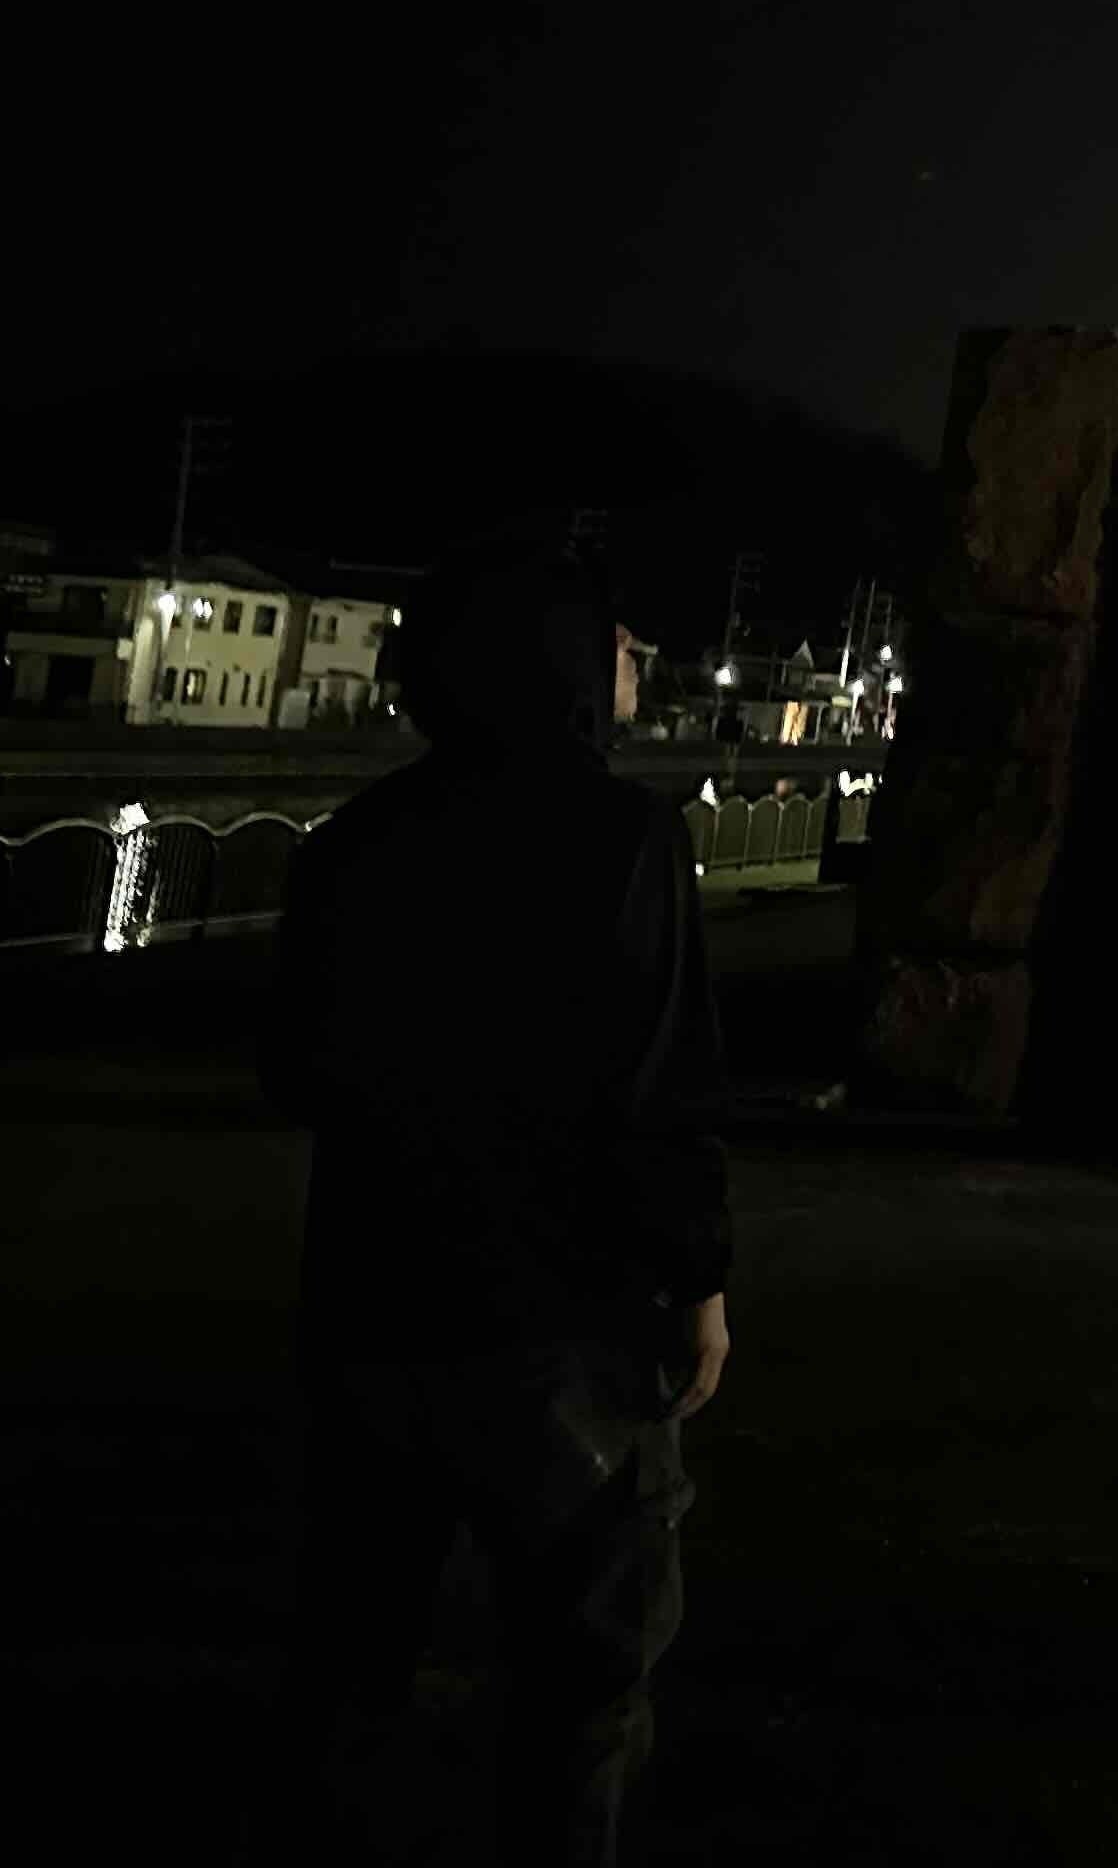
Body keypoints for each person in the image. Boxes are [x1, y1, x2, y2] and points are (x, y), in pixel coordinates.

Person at [263, 539, 730, 1866]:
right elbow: (661, 1093)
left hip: (373, 1302)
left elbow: (294, 1070)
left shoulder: (355, 842)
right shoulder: (631, 840)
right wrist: (698, 1282)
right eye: (618, 644)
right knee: (583, 1682)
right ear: (565, 662)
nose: (634, 666)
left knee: (353, 1660)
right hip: (566, 1321)